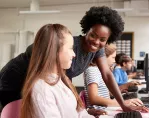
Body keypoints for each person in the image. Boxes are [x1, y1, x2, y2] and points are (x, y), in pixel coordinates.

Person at [0, 6, 139, 112]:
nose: (96, 42)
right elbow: (63, 83)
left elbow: (107, 75)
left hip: (33, 81)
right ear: (87, 30)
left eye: (102, 39)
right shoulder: (70, 47)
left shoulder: (97, 50)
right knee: (15, 112)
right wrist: (81, 111)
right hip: (14, 80)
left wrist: (122, 104)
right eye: (93, 35)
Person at [20, 24, 94, 118]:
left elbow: (80, 114)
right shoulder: (42, 88)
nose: (74, 54)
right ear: (54, 50)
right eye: (71, 48)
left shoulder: (62, 81)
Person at [84, 44, 146, 111]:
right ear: (103, 57)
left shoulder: (100, 71)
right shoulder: (92, 70)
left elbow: (105, 93)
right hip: (99, 112)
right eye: (113, 58)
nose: (114, 61)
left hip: (106, 108)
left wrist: (120, 89)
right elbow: (94, 99)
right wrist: (123, 103)